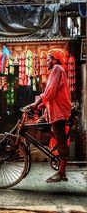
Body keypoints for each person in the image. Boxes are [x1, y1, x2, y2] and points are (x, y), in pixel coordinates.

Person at [26, 48, 71, 183]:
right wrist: (36, 104)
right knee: (40, 125)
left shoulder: (57, 69)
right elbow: (47, 93)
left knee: (62, 142)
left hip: (59, 111)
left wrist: (35, 104)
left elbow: (50, 92)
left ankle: (61, 172)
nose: (47, 62)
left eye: (49, 59)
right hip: (51, 110)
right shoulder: (54, 71)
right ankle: (57, 140)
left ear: (56, 59)